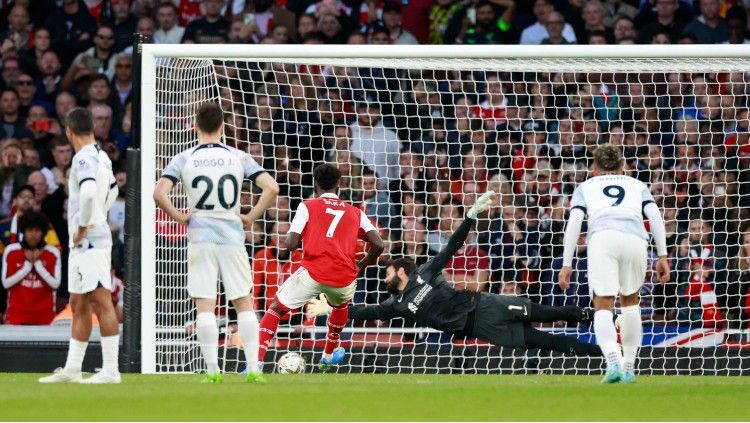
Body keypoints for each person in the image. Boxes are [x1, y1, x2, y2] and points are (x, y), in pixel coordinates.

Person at [308, 190, 601, 358]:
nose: (384, 280)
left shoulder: (426, 272)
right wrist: (331, 307)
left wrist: (469, 218)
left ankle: (597, 316)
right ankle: (605, 356)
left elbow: (452, 246)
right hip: (483, 329)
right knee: (547, 342)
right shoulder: (395, 306)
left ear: (400, 269)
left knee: (550, 312)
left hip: (486, 303)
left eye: (387, 273)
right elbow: (360, 311)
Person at [153, 102, 278, 384]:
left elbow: (159, 193)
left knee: (205, 306)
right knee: (244, 303)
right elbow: (272, 187)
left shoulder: (184, 157)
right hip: (232, 235)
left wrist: (181, 217)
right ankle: (254, 370)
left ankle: (212, 372)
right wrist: (251, 217)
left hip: (200, 236)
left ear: (195, 126)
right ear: (223, 126)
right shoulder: (238, 156)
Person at [559, 144, 670, 384]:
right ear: (623, 168)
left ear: (594, 169)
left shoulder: (585, 187)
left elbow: (575, 221)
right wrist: (662, 255)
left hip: (603, 239)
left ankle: (613, 363)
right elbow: (655, 217)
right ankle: (629, 368)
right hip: (635, 239)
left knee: (603, 304)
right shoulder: (637, 185)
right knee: (630, 302)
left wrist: (567, 263)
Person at [257, 163, 385, 370]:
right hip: (344, 276)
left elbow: (289, 244)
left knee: (276, 309)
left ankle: (256, 363)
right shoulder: (355, 212)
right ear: (339, 185)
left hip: (314, 272)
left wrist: (307, 238)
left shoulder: (307, 206)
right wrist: (362, 265)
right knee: (340, 305)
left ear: (316, 185)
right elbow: (379, 244)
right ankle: (328, 354)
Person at [39, 107, 120, 384]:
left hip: (88, 239)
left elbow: (87, 193)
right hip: (90, 238)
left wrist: (85, 225)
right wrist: (100, 214)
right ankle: (73, 369)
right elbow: (114, 190)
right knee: (78, 302)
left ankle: (111, 370)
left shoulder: (83, 158)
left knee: (100, 300)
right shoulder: (102, 156)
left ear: (68, 131)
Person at [2, 210, 61, 325]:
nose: (33, 234)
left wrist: (37, 264)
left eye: (37, 230)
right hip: (15, 318)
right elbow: (6, 283)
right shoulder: (11, 251)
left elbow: (55, 284)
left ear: (43, 232)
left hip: (45, 319)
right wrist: (28, 265)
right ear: (23, 231)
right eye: (29, 230)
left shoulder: (53, 252)